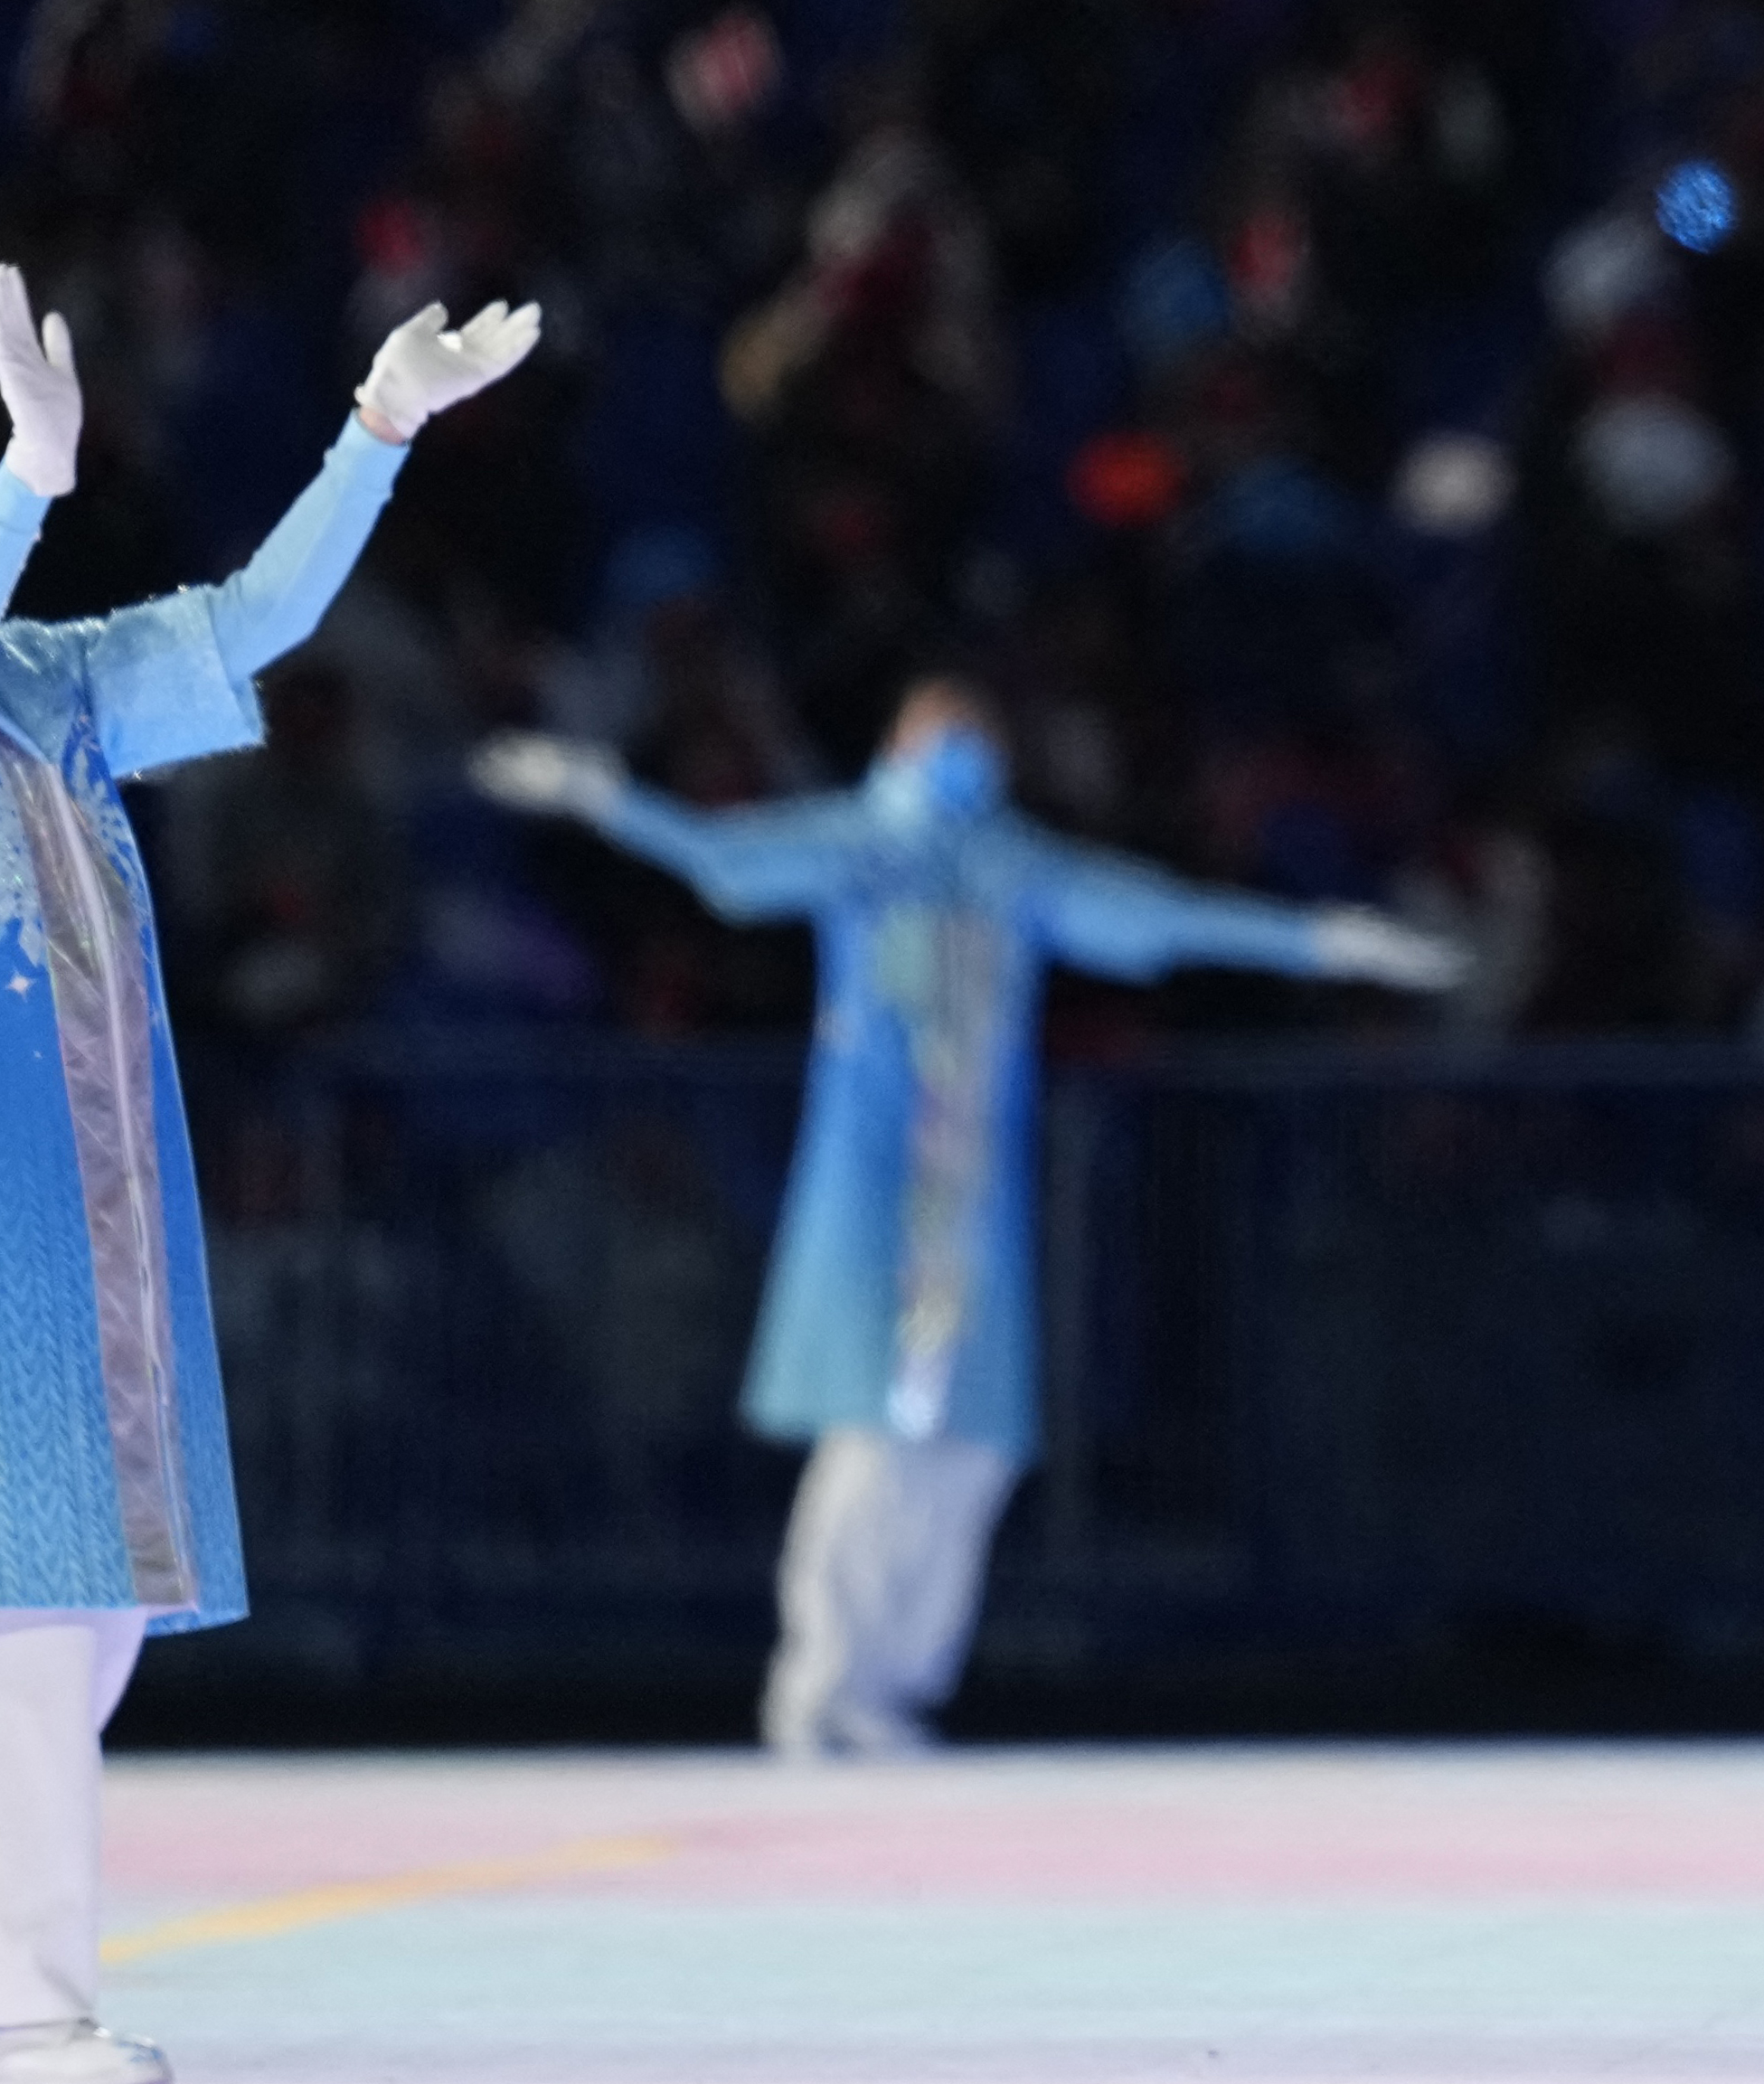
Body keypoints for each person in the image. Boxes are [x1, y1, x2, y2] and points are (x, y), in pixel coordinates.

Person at [0, 267, 540, 2084]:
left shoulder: (48, 682)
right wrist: (30, 484)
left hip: (114, 1183)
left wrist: (378, 429)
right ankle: (4, 2007)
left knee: (96, 1595)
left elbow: (260, 618)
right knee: (22, 1589)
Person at [469, 686, 1466, 1757]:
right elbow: (725, 860)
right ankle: (822, 1678)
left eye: (980, 733)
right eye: (943, 730)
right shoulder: (861, 846)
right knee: (878, 1432)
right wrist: (601, 794)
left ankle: (889, 1686)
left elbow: (1165, 917)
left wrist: (1324, 940)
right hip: (877, 1184)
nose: (963, 748)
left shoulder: (1013, 866)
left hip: (969, 1197)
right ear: (900, 740)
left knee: (970, 1448)